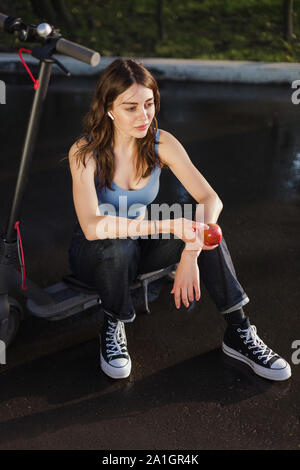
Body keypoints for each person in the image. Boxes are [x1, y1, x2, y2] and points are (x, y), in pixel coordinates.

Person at [67, 58, 291, 382]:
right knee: (118, 242)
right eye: (131, 107)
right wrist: (169, 226)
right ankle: (114, 322)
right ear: (109, 108)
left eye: (149, 104)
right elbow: (92, 225)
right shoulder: (85, 152)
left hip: (140, 243)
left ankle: (239, 332)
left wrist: (191, 249)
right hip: (93, 254)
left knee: (203, 224)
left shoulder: (161, 142)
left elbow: (210, 199)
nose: (144, 116)